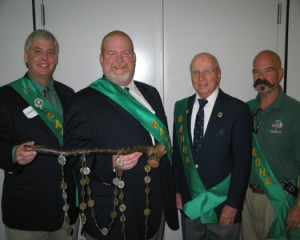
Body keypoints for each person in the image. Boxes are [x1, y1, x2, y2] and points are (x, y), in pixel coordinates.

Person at [63, 30, 179, 240]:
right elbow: (72, 152)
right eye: (112, 54)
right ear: (101, 59)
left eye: (125, 53)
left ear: (134, 58)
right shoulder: (82, 100)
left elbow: (163, 146)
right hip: (113, 212)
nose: (119, 60)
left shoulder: (151, 93)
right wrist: (111, 162)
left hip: (154, 210)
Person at [0, 29, 78, 240]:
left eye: (51, 52)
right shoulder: (6, 96)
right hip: (27, 214)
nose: (45, 57)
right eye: (38, 51)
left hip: (66, 209)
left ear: (57, 58)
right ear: (26, 56)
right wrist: (15, 153)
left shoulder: (68, 94)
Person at [172, 52, 252, 240]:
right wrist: (176, 190)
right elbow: (178, 155)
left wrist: (233, 205)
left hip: (222, 206)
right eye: (196, 72)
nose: (201, 78)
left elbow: (242, 163)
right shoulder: (181, 107)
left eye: (207, 71)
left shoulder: (237, 110)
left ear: (218, 74)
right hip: (190, 204)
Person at [241, 50, 300, 240]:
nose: (261, 77)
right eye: (256, 71)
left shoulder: (295, 111)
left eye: (268, 70)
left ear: (280, 74)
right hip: (247, 199)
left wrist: (299, 206)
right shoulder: (245, 109)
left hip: (278, 200)